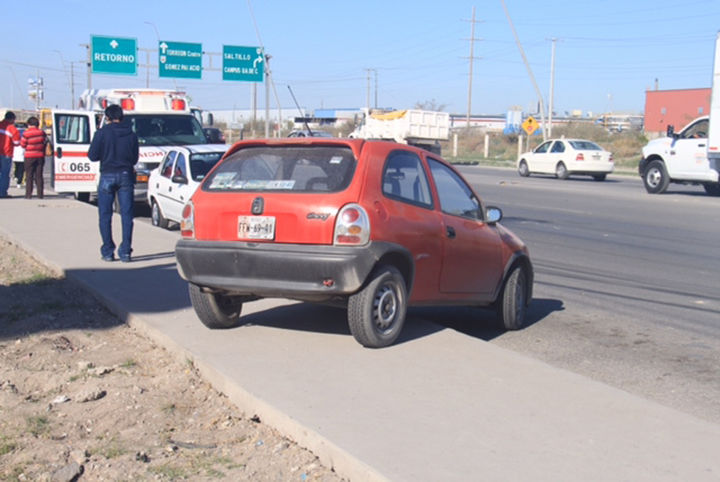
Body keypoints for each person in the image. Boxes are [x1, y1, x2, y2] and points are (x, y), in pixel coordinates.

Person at [88, 104, 139, 262]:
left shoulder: (101, 133)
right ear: (122, 117)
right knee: (127, 215)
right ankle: (125, 252)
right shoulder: (131, 134)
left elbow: (92, 156)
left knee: (105, 215)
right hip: (125, 175)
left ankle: (108, 251)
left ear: (107, 117)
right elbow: (134, 159)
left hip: (107, 174)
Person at [20, 117, 47, 199]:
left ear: (29, 124)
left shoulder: (26, 133)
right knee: (39, 176)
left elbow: (23, 145)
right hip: (40, 156)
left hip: (29, 156)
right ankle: (40, 194)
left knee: (29, 176)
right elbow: (45, 142)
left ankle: (28, 195)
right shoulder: (42, 133)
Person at [0, 111, 21, 198]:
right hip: (6, 153)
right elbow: (17, 142)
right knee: (4, 173)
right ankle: (2, 193)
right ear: (12, 119)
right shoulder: (12, 128)